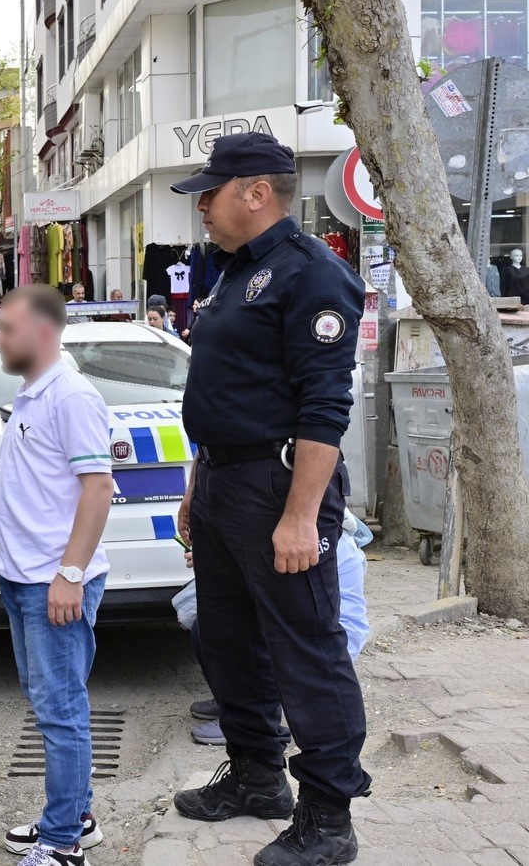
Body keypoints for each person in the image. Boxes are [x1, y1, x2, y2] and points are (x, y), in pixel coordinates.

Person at [169, 132, 369, 866]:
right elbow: (222, 392)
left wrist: (299, 516)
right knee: (224, 638)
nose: (202, 212)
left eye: (210, 196)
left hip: (282, 486)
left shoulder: (312, 275)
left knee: (307, 648)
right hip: (224, 482)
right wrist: (198, 482)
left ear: (256, 192)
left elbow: (325, 408)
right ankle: (257, 777)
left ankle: (328, 816)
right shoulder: (229, 273)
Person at [0, 286, 114, 866]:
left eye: (6, 329)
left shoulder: (70, 397)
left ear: (41, 333)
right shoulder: (32, 392)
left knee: (61, 712)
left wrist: (70, 572)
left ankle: (63, 843)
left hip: (53, 583)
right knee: (51, 706)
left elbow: (99, 488)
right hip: (24, 579)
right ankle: (74, 816)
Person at [183, 511, 372, 746]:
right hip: (288, 630)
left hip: (314, 648)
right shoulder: (265, 531)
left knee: (250, 636)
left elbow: (348, 629)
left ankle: (255, 718)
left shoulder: (319, 542)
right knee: (209, 627)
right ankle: (233, 705)